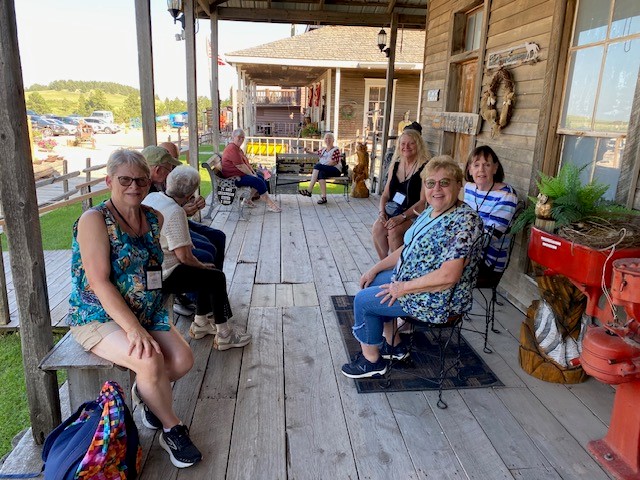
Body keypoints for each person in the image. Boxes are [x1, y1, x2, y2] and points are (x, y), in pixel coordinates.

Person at [67, 149, 202, 469]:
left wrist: (149, 316)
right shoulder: (94, 220)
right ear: (109, 181)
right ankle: (172, 428)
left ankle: (148, 396)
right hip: (98, 314)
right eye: (125, 180)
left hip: (145, 310)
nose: (134, 186)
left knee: (183, 360)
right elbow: (99, 282)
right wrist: (133, 329)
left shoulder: (154, 218)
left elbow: (151, 268)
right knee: (149, 358)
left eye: (141, 180)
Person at [341, 156, 483, 378]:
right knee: (372, 282)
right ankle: (394, 345)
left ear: (458, 185)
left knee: (363, 301)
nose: (437, 189)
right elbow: (407, 247)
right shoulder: (431, 211)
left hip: (438, 297)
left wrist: (402, 288)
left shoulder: (464, 222)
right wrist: (376, 268)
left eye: (445, 182)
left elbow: (449, 276)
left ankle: (371, 362)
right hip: (412, 282)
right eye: (430, 183)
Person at [143, 165, 252, 350]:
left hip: (153, 268)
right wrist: (201, 265)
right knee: (215, 277)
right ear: (190, 194)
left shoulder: (153, 197)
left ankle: (200, 323)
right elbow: (185, 256)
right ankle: (224, 335)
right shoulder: (175, 211)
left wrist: (201, 266)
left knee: (206, 270)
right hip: (164, 274)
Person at [142, 144, 227, 316]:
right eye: (170, 168)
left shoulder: (158, 185)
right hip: (164, 245)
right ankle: (197, 300)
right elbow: (183, 254)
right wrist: (182, 210)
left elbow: (174, 204)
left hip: (175, 222)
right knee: (206, 253)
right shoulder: (143, 189)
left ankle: (214, 295)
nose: (172, 172)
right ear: (157, 169)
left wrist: (189, 205)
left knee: (218, 237)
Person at [372, 129, 430, 260]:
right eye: (403, 144)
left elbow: (422, 202)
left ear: (418, 145)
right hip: (392, 211)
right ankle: (384, 264)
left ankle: (398, 266)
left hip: (413, 214)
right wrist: (382, 213)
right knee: (377, 228)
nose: (406, 147)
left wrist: (402, 217)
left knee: (394, 231)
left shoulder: (425, 168)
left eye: (411, 143)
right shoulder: (395, 165)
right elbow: (385, 195)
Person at [463, 145, 518, 276]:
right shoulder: (469, 188)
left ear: (495, 168)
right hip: (465, 253)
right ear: (469, 169)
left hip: (487, 262)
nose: (481, 170)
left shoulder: (506, 196)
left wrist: (455, 242)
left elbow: (488, 238)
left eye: (486, 165)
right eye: (476, 165)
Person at [221, 128, 281, 212]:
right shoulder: (232, 148)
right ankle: (271, 205)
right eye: (239, 137)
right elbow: (241, 166)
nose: (241, 139)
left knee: (260, 177)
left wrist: (253, 172)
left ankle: (247, 200)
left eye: (243, 137)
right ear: (233, 137)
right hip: (233, 178)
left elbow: (246, 163)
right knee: (258, 181)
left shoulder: (237, 148)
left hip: (239, 176)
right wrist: (252, 175)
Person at [297, 132, 342, 204]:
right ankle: (324, 198)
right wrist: (307, 151)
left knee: (318, 166)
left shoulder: (335, 150)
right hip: (326, 169)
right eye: (326, 138)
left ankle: (309, 190)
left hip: (335, 170)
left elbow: (334, 162)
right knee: (320, 173)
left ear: (333, 140)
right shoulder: (324, 150)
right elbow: (315, 153)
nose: (327, 140)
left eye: (329, 138)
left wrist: (322, 166)